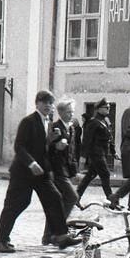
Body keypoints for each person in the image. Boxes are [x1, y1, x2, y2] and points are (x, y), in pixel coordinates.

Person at [0, 90, 82, 253]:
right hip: (23, 172)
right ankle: (0, 241)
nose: (48, 105)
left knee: (54, 197)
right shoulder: (29, 121)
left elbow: (42, 146)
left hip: (41, 172)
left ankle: (59, 235)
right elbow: (19, 146)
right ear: (37, 103)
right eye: (45, 102)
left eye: (50, 102)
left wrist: (54, 143)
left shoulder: (48, 122)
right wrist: (31, 163)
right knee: (16, 204)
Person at [44, 97, 80, 244]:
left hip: (66, 170)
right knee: (72, 197)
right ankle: (58, 230)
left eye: (72, 112)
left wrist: (74, 171)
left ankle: (48, 236)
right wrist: (56, 144)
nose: (71, 114)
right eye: (68, 112)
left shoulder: (71, 128)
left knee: (56, 202)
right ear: (60, 112)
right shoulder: (55, 126)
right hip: (56, 170)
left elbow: (72, 151)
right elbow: (47, 147)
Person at [76, 98, 115, 202]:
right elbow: (86, 140)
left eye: (109, 107)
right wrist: (83, 157)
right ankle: (112, 200)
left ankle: (76, 197)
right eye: (106, 107)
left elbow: (109, 138)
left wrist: (113, 152)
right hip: (96, 153)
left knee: (90, 175)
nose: (108, 109)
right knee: (105, 174)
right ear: (98, 109)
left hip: (102, 153)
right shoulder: (93, 122)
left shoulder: (105, 121)